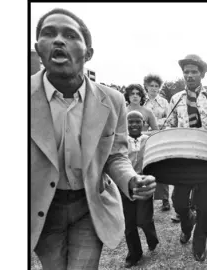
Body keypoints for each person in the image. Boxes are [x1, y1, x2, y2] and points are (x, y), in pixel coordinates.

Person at [31, 8, 156, 270]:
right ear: (38, 49)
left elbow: (115, 155)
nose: (58, 41)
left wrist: (131, 180)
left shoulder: (112, 100)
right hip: (41, 209)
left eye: (70, 35)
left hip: (89, 206)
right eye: (49, 34)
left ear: (88, 53)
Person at [164, 54, 207, 262]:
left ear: (202, 74)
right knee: (178, 201)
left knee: (204, 206)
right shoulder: (176, 99)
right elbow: (170, 128)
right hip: (184, 161)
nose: (189, 75)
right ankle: (186, 223)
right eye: (186, 72)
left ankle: (199, 244)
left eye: (194, 71)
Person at [121, 111, 160, 268]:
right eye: (130, 122)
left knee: (143, 220)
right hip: (125, 185)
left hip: (144, 184)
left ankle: (152, 238)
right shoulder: (120, 141)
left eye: (138, 121)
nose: (134, 124)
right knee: (129, 223)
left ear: (144, 123)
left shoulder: (149, 140)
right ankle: (134, 254)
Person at [143, 73, 172, 212]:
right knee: (146, 167)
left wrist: (155, 124)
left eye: (156, 86)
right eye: (151, 86)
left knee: (162, 167)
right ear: (146, 87)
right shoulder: (142, 102)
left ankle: (165, 199)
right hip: (144, 139)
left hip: (160, 137)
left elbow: (169, 120)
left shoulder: (165, 103)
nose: (154, 88)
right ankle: (146, 199)